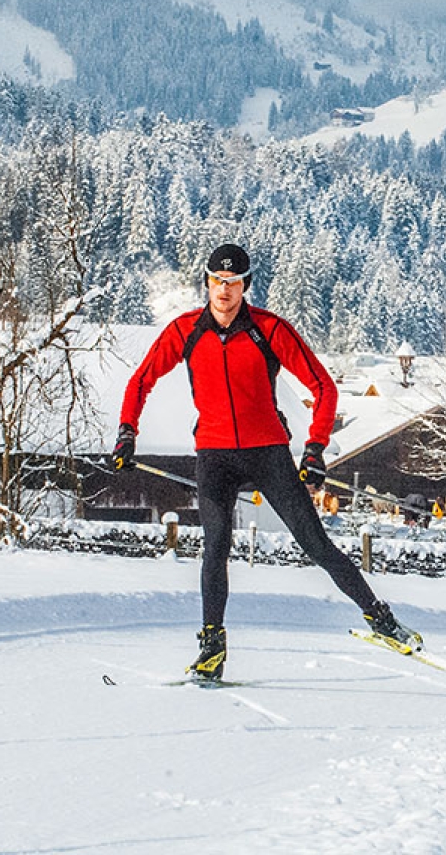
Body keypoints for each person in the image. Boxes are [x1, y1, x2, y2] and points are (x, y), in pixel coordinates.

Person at [112, 243, 420, 680]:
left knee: (316, 544)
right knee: (215, 548)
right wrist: (128, 431)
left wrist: (314, 448)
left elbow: (324, 387)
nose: (224, 290)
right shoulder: (185, 331)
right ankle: (212, 647)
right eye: (217, 281)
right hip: (214, 456)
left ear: (245, 285)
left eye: (233, 282)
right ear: (206, 282)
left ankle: (380, 618)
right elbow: (141, 380)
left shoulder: (269, 330)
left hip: (267, 453)